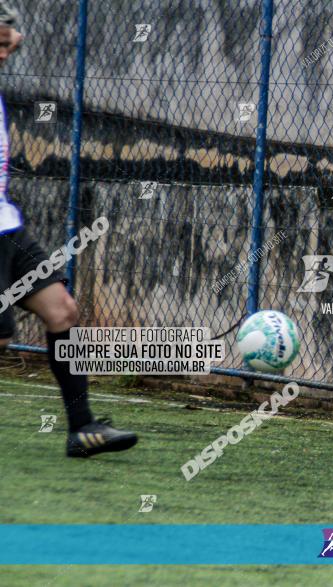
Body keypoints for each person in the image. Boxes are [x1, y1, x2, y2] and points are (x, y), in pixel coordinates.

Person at [0, 2, 137, 457]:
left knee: (63, 312)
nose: (7, 50)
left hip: (7, 225)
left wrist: (9, 28)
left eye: (8, 42)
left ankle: (81, 429)